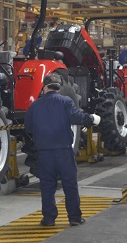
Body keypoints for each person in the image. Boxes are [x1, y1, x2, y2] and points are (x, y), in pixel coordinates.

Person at [25, 73, 101, 227]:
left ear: (44, 88)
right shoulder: (66, 101)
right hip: (63, 152)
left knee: (47, 186)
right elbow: (76, 117)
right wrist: (92, 119)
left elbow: (29, 127)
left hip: (44, 153)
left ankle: (49, 219)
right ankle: (74, 218)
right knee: (70, 185)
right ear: (58, 88)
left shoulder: (35, 105)